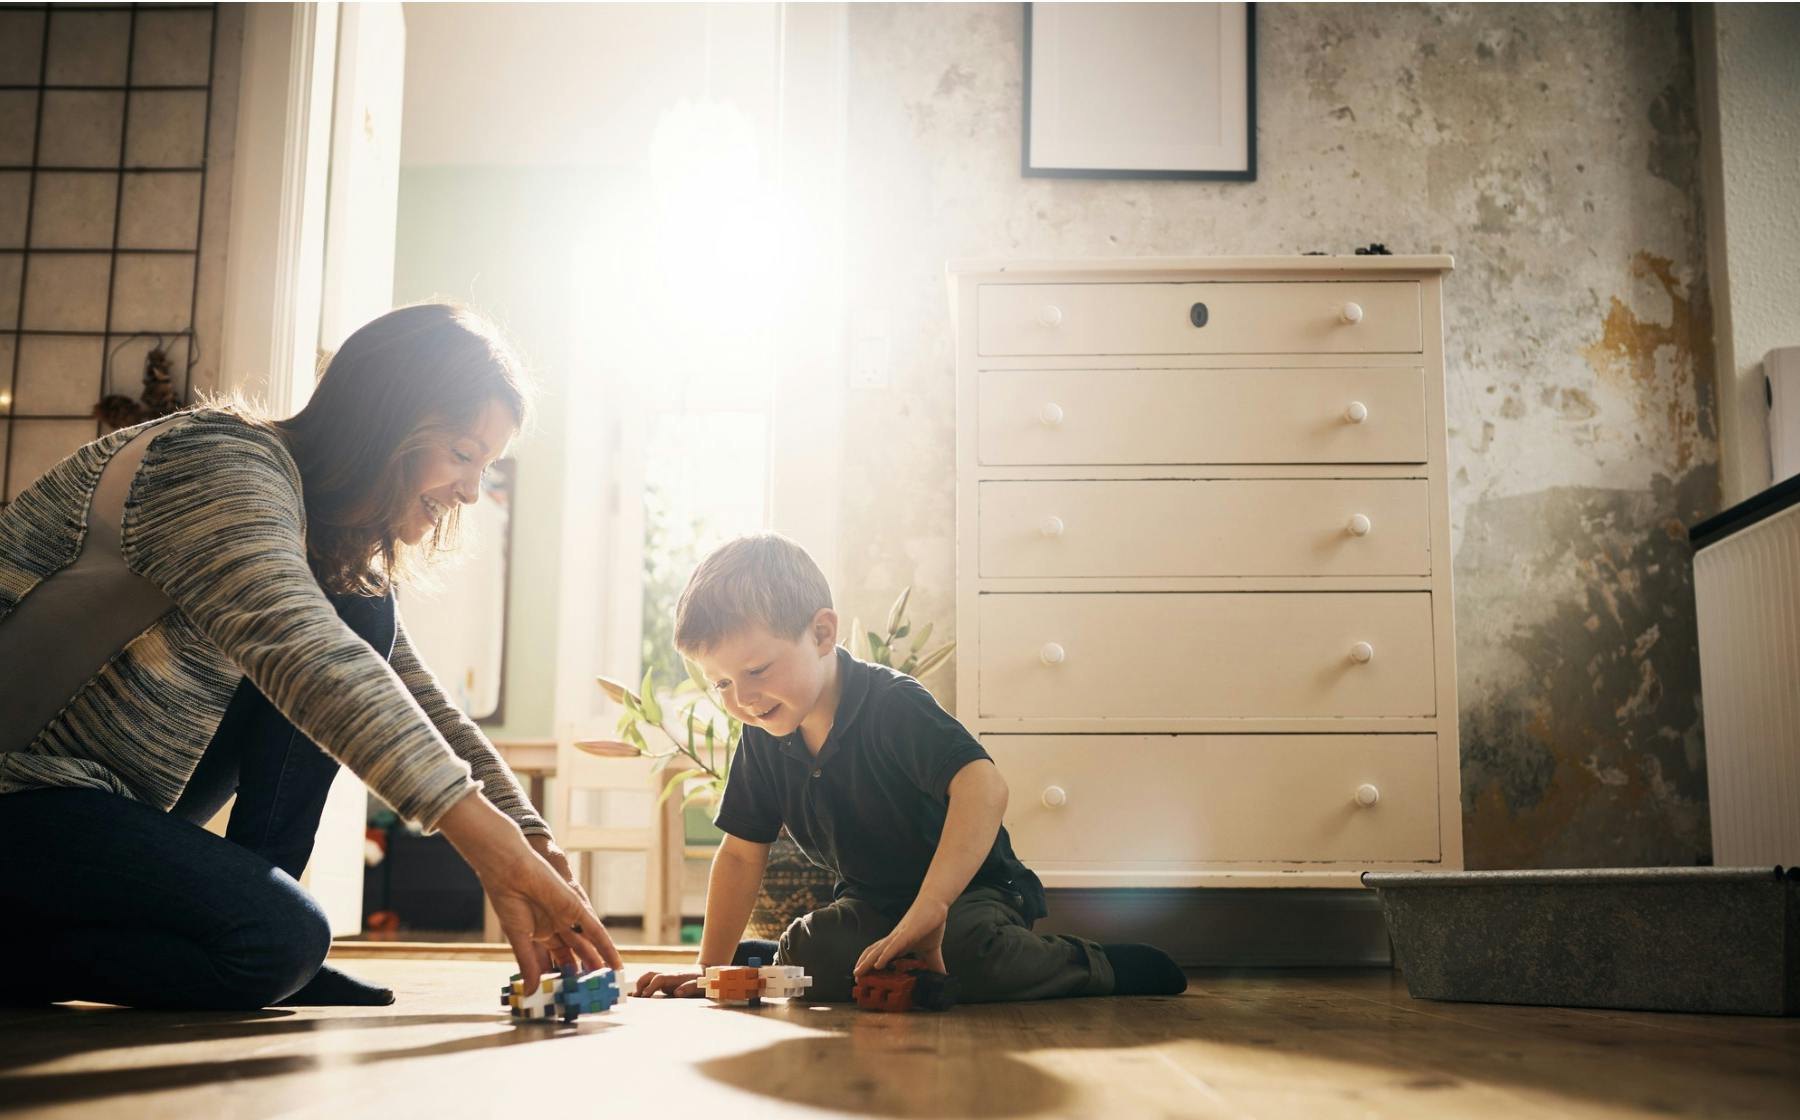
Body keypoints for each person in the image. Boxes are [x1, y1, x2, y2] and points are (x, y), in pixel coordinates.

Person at [0, 304, 618, 1010]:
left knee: (363, 607)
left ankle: (269, 922)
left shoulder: (325, 537)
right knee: (274, 942)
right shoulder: (211, 464)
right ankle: (267, 941)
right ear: (388, 422)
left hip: (86, 803)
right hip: (19, 791)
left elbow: (408, 693)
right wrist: (489, 845)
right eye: (462, 453)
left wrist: (531, 838)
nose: (472, 491)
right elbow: (307, 653)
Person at [633, 533, 1186, 1003]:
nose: (743, 699)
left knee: (968, 953)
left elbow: (984, 785)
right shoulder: (764, 734)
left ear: (823, 634)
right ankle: (764, 960)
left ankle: (1095, 965)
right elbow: (740, 854)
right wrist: (712, 969)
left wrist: (932, 906)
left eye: (756, 670)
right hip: (872, 901)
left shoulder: (891, 704)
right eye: (723, 684)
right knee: (814, 956)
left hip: (971, 894)